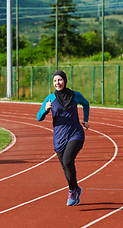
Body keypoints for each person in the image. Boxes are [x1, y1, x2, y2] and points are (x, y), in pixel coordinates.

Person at [37, 70, 90, 206]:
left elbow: (86, 104)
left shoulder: (75, 95)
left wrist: (85, 119)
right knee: (65, 166)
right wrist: (45, 109)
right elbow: (39, 118)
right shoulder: (50, 99)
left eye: (60, 80)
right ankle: (76, 188)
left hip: (75, 134)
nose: (57, 83)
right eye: (55, 81)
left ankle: (72, 191)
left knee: (67, 160)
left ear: (65, 80)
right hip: (59, 137)